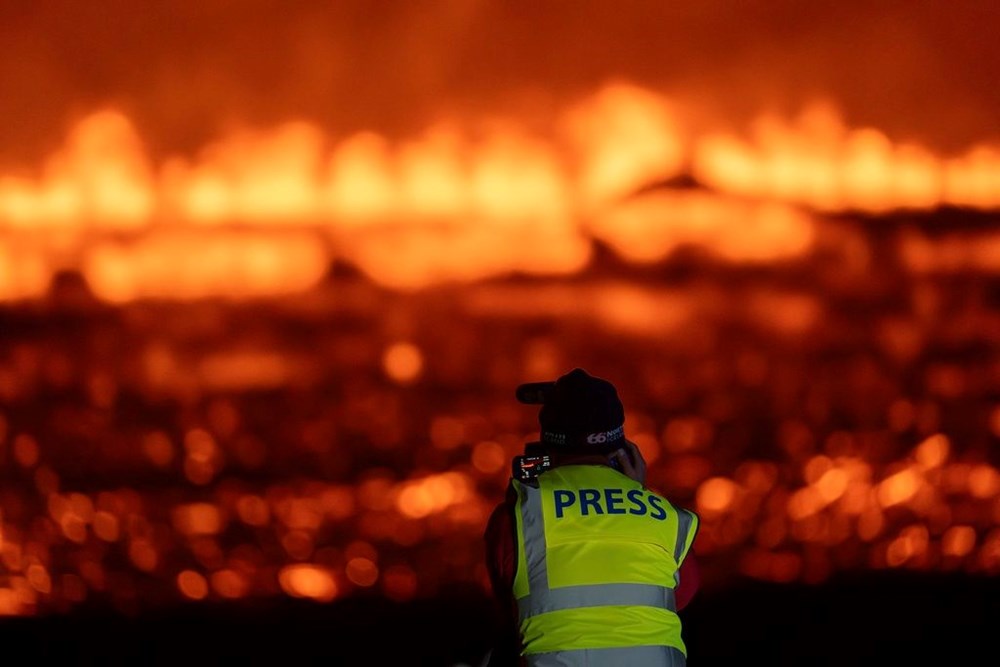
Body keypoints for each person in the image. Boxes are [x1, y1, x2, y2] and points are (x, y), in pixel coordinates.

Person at [483, 367, 700, 666]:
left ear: (547, 445)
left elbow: (511, 612)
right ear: (625, 451)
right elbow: (677, 598)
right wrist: (636, 492)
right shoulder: (666, 518)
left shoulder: (520, 515)